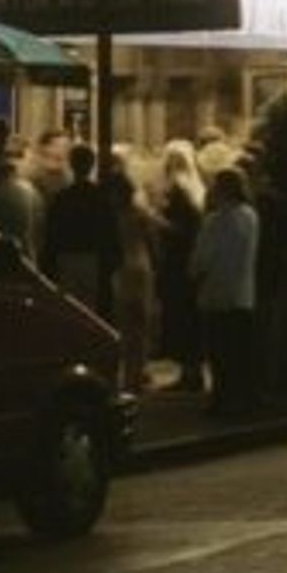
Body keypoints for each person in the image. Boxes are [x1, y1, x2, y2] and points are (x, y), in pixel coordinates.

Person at [190, 166, 261, 415]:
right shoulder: (250, 217)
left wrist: (194, 274)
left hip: (216, 294)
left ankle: (222, 399)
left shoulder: (214, 221)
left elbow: (201, 260)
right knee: (241, 351)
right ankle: (244, 397)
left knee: (219, 353)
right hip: (243, 294)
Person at [41, 141, 121, 315]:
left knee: (71, 312)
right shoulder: (100, 197)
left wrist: (48, 263)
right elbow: (111, 232)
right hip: (94, 259)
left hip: (67, 259)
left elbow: (52, 235)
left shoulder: (62, 198)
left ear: (71, 164)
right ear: (92, 165)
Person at [155, 140, 206, 388]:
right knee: (189, 317)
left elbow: (179, 230)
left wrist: (154, 219)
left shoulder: (178, 190)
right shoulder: (197, 189)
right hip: (188, 262)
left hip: (177, 263)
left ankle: (188, 373)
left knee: (181, 317)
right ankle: (191, 371)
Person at [106, 166, 162, 392]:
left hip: (119, 269)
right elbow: (155, 243)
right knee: (140, 324)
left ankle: (121, 376)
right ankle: (136, 375)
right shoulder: (140, 213)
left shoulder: (110, 215)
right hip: (141, 266)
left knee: (120, 323)